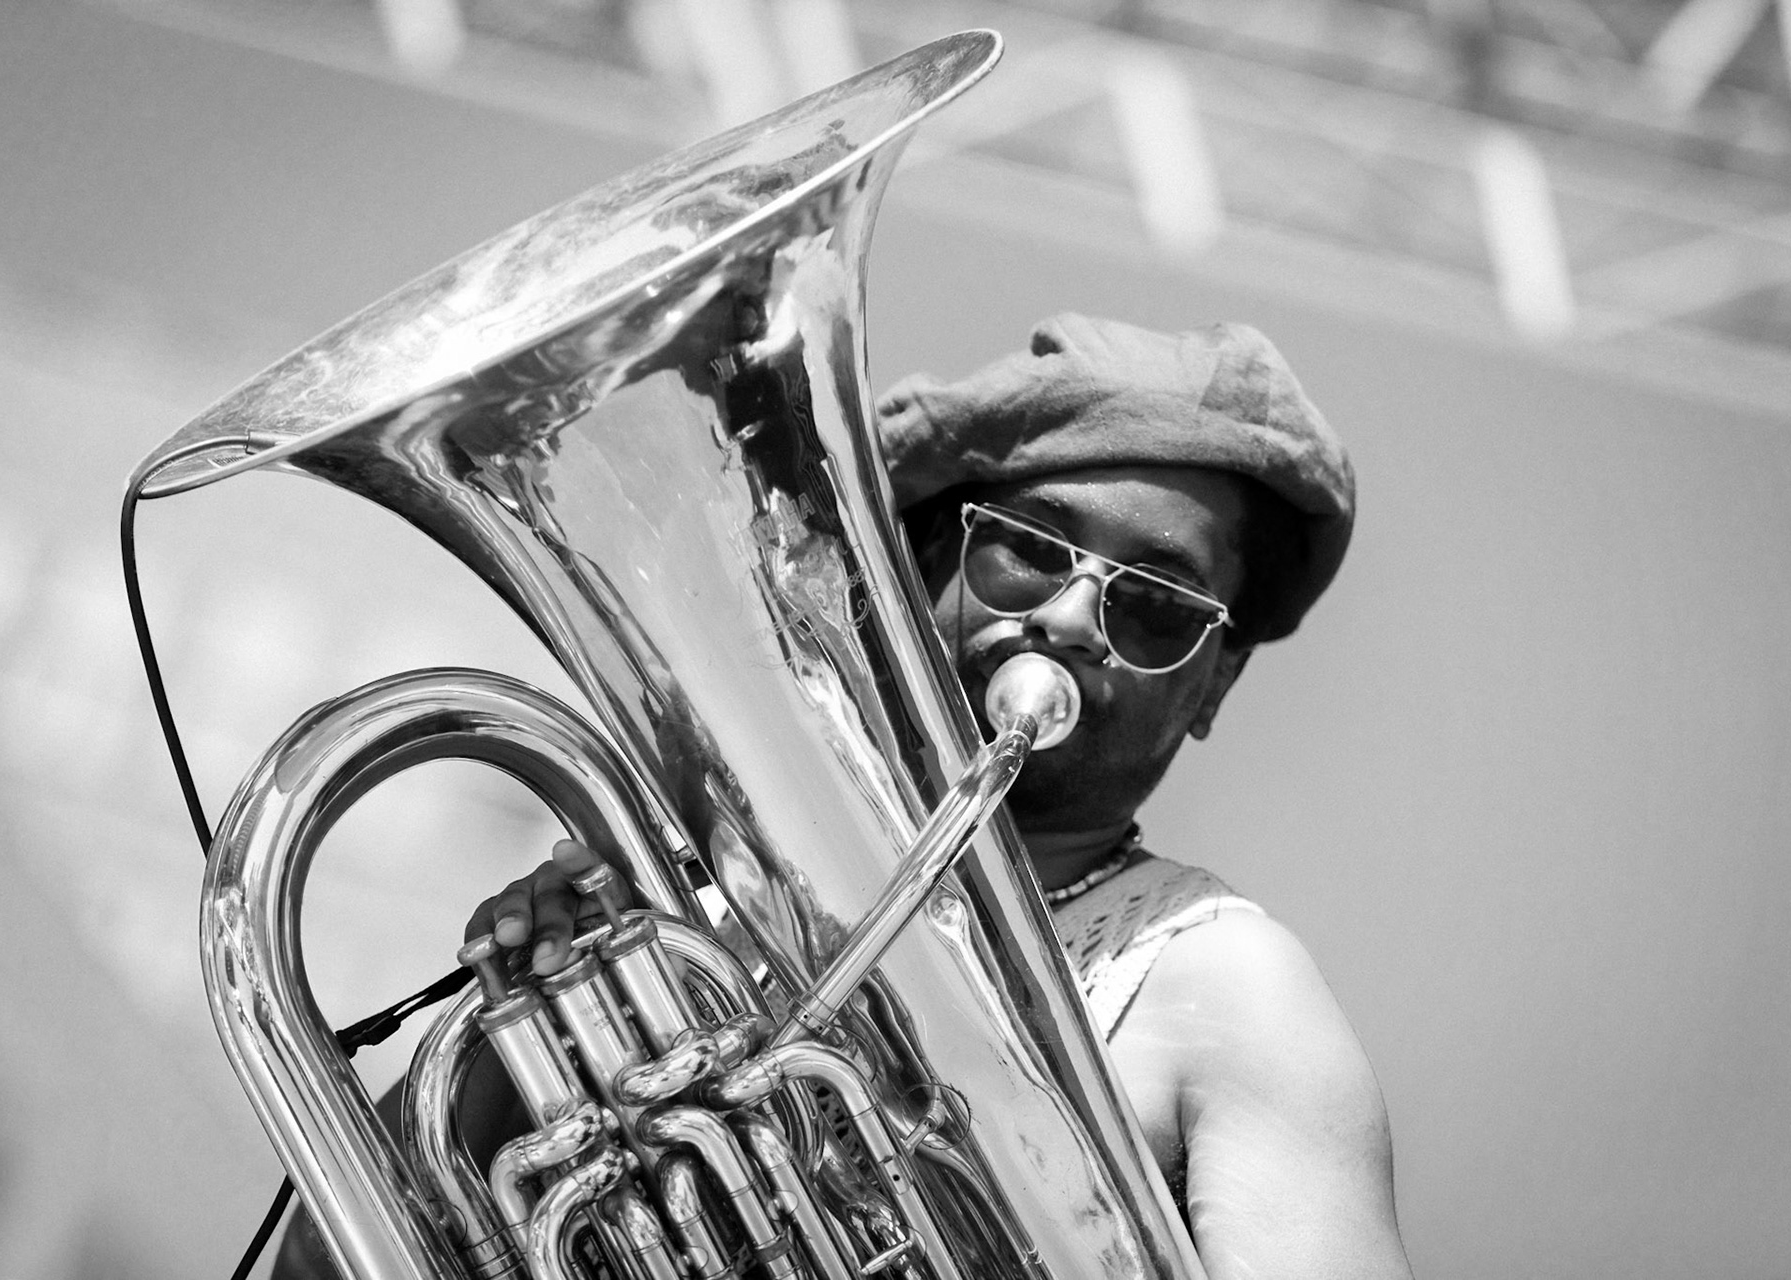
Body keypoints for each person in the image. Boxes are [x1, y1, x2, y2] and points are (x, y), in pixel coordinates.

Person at [280, 314, 1413, 1279]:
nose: (1070, 621)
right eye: (1027, 550)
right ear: (923, 569)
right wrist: (514, 1050)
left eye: (1158, 606)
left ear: (1213, 683)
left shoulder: (1229, 988)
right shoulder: (688, 943)